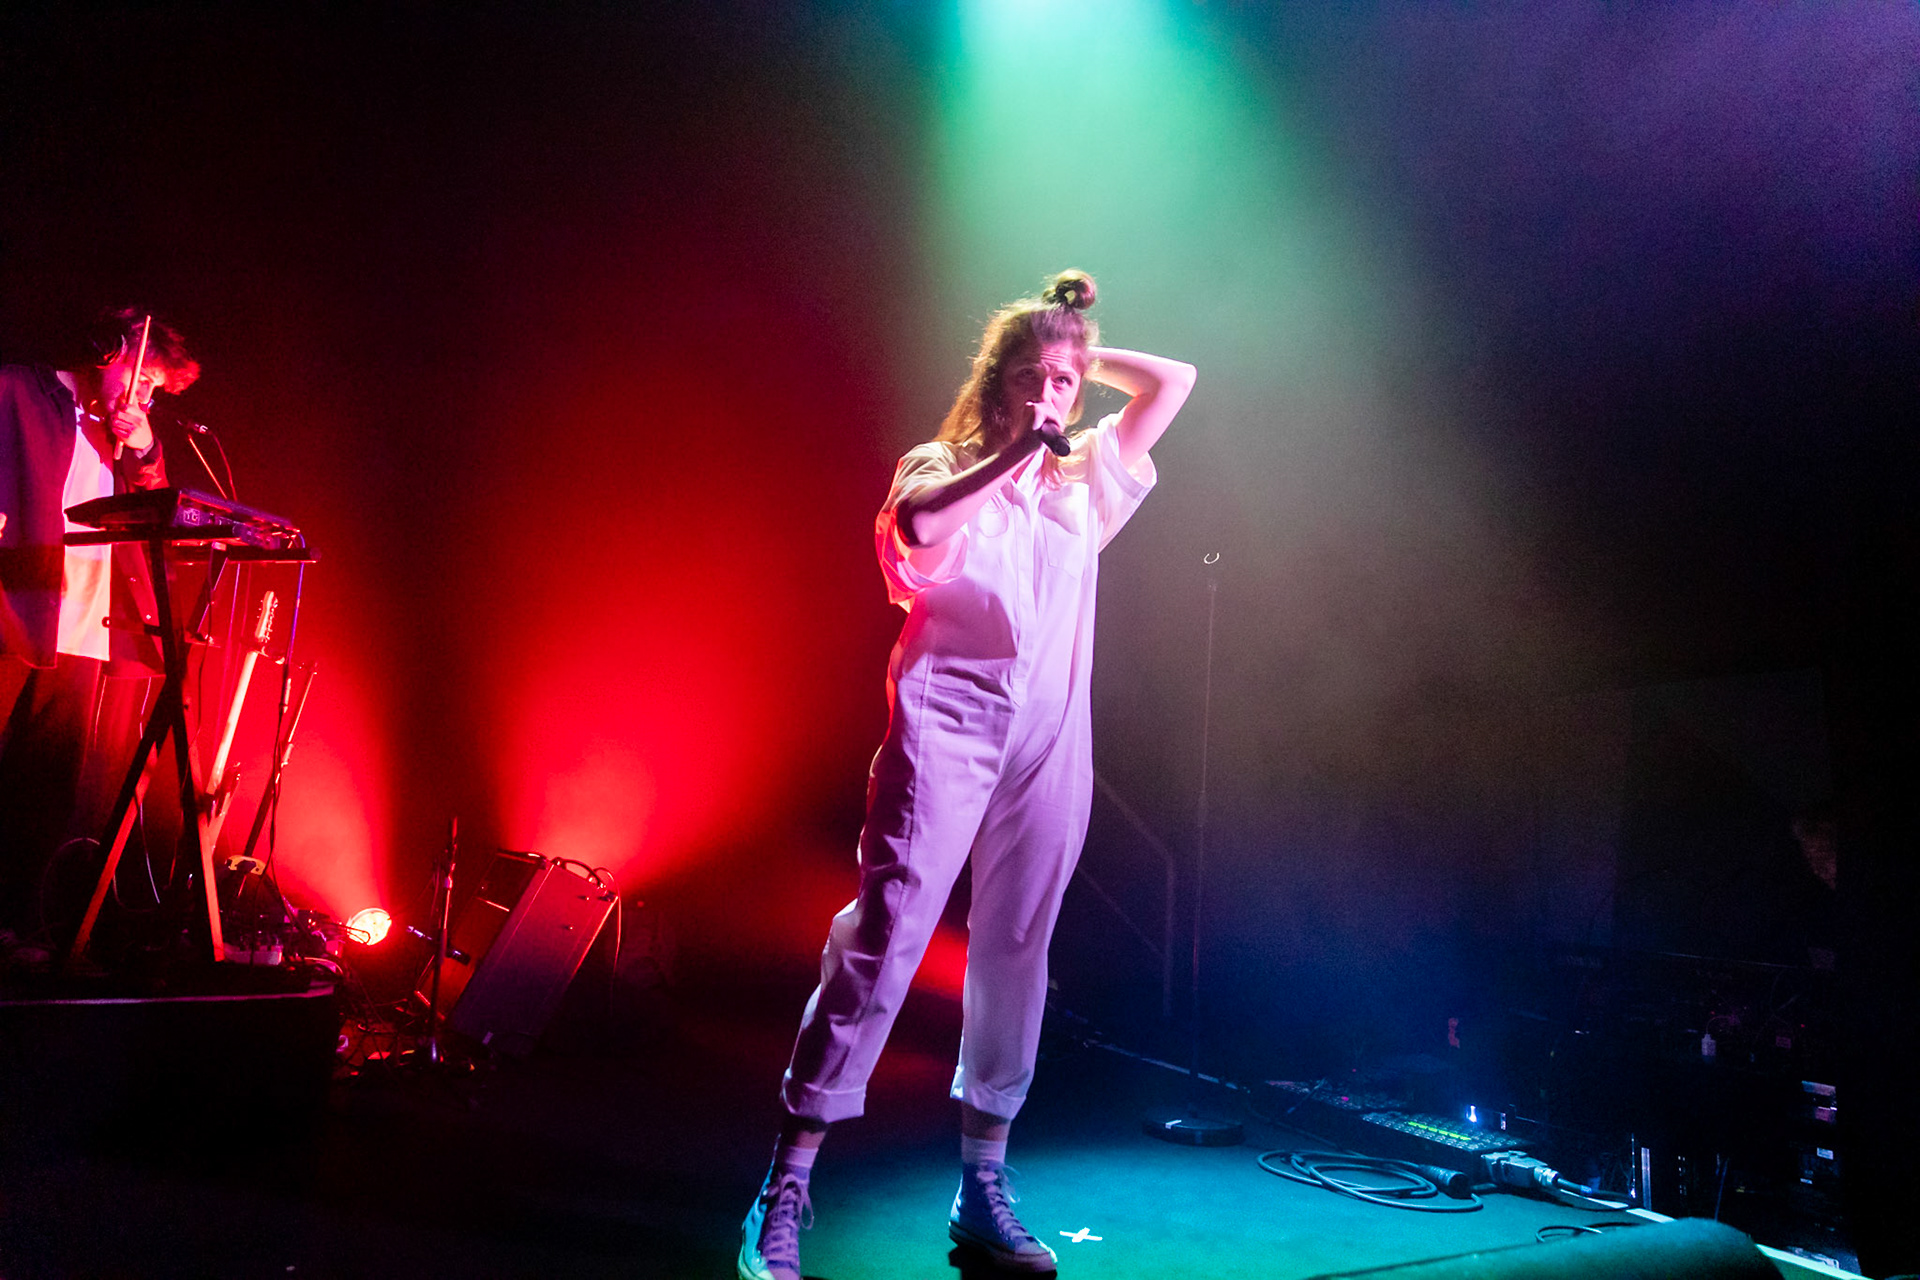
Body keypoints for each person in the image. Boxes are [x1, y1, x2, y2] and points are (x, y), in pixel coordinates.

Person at [739, 271, 1195, 1279]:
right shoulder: (940, 464)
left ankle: (983, 1183)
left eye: (1067, 384)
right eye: (1032, 377)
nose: (1054, 395)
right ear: (996, 384)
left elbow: (1175, 381)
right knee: (887, 934)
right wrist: (1022, 433)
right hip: (944, 726)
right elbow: (921, 533)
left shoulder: (1087, 483)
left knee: (1017, 947)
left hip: (1048, 737)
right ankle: (786, 1180)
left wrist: (1074, 340)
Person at [0, 307, 197, 953]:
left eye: (153, 394)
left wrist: (142, 447)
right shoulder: (21, 390)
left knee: (43, 788)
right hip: (11, 610)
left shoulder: (118, 434)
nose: (143, 399)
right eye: (141, 383)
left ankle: (14, 928)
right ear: (111, 353)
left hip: (79, 626)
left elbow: (154, 508)